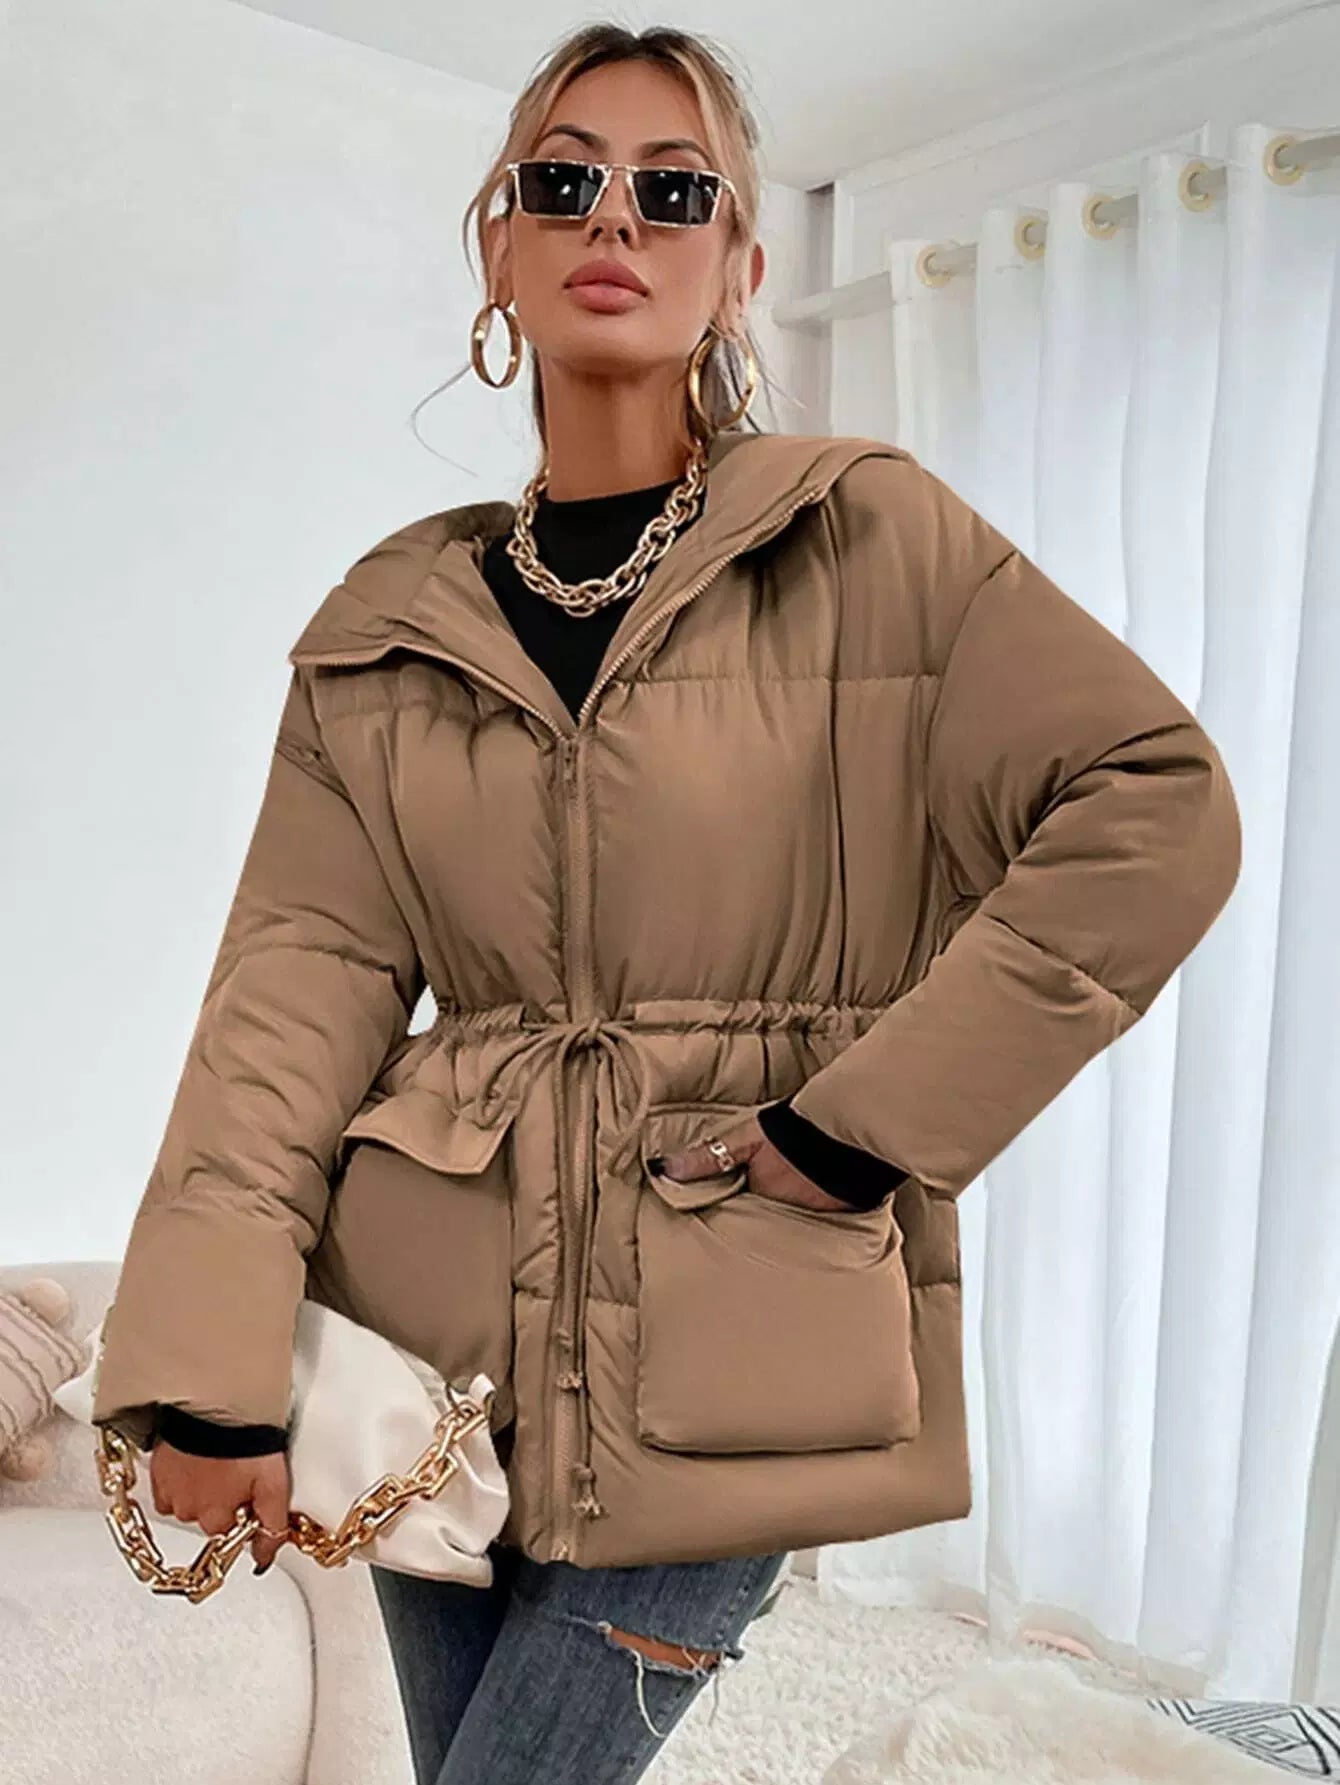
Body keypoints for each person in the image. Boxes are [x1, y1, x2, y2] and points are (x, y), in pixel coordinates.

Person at [90, 21, 1243, 1785]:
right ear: (500, 249)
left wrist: (860, 1127)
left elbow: (1154, 802)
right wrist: (207, 1364)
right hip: (432, 1356)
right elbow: (286, 1002)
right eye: (561, 180)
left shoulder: (871, 543)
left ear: (741, 266)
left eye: (674, 188)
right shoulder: (388, 625)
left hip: (735, 1329)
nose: (613, 215)